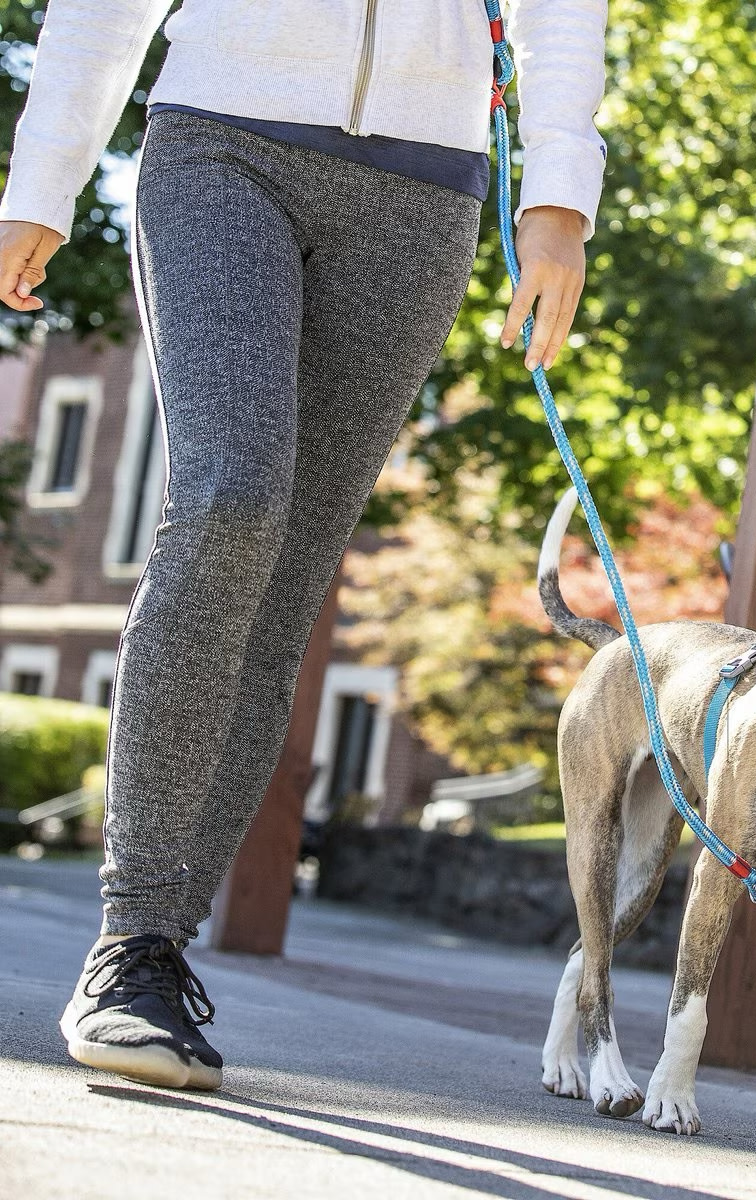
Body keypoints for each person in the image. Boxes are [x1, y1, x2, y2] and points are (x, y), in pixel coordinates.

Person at [0, 0, 607, 1091]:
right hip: (222, 139)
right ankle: (126, 931)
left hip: (424, 192)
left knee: (284, 586)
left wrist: (560, 194)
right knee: (231, 501)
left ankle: (155, 958)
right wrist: (42, 179)